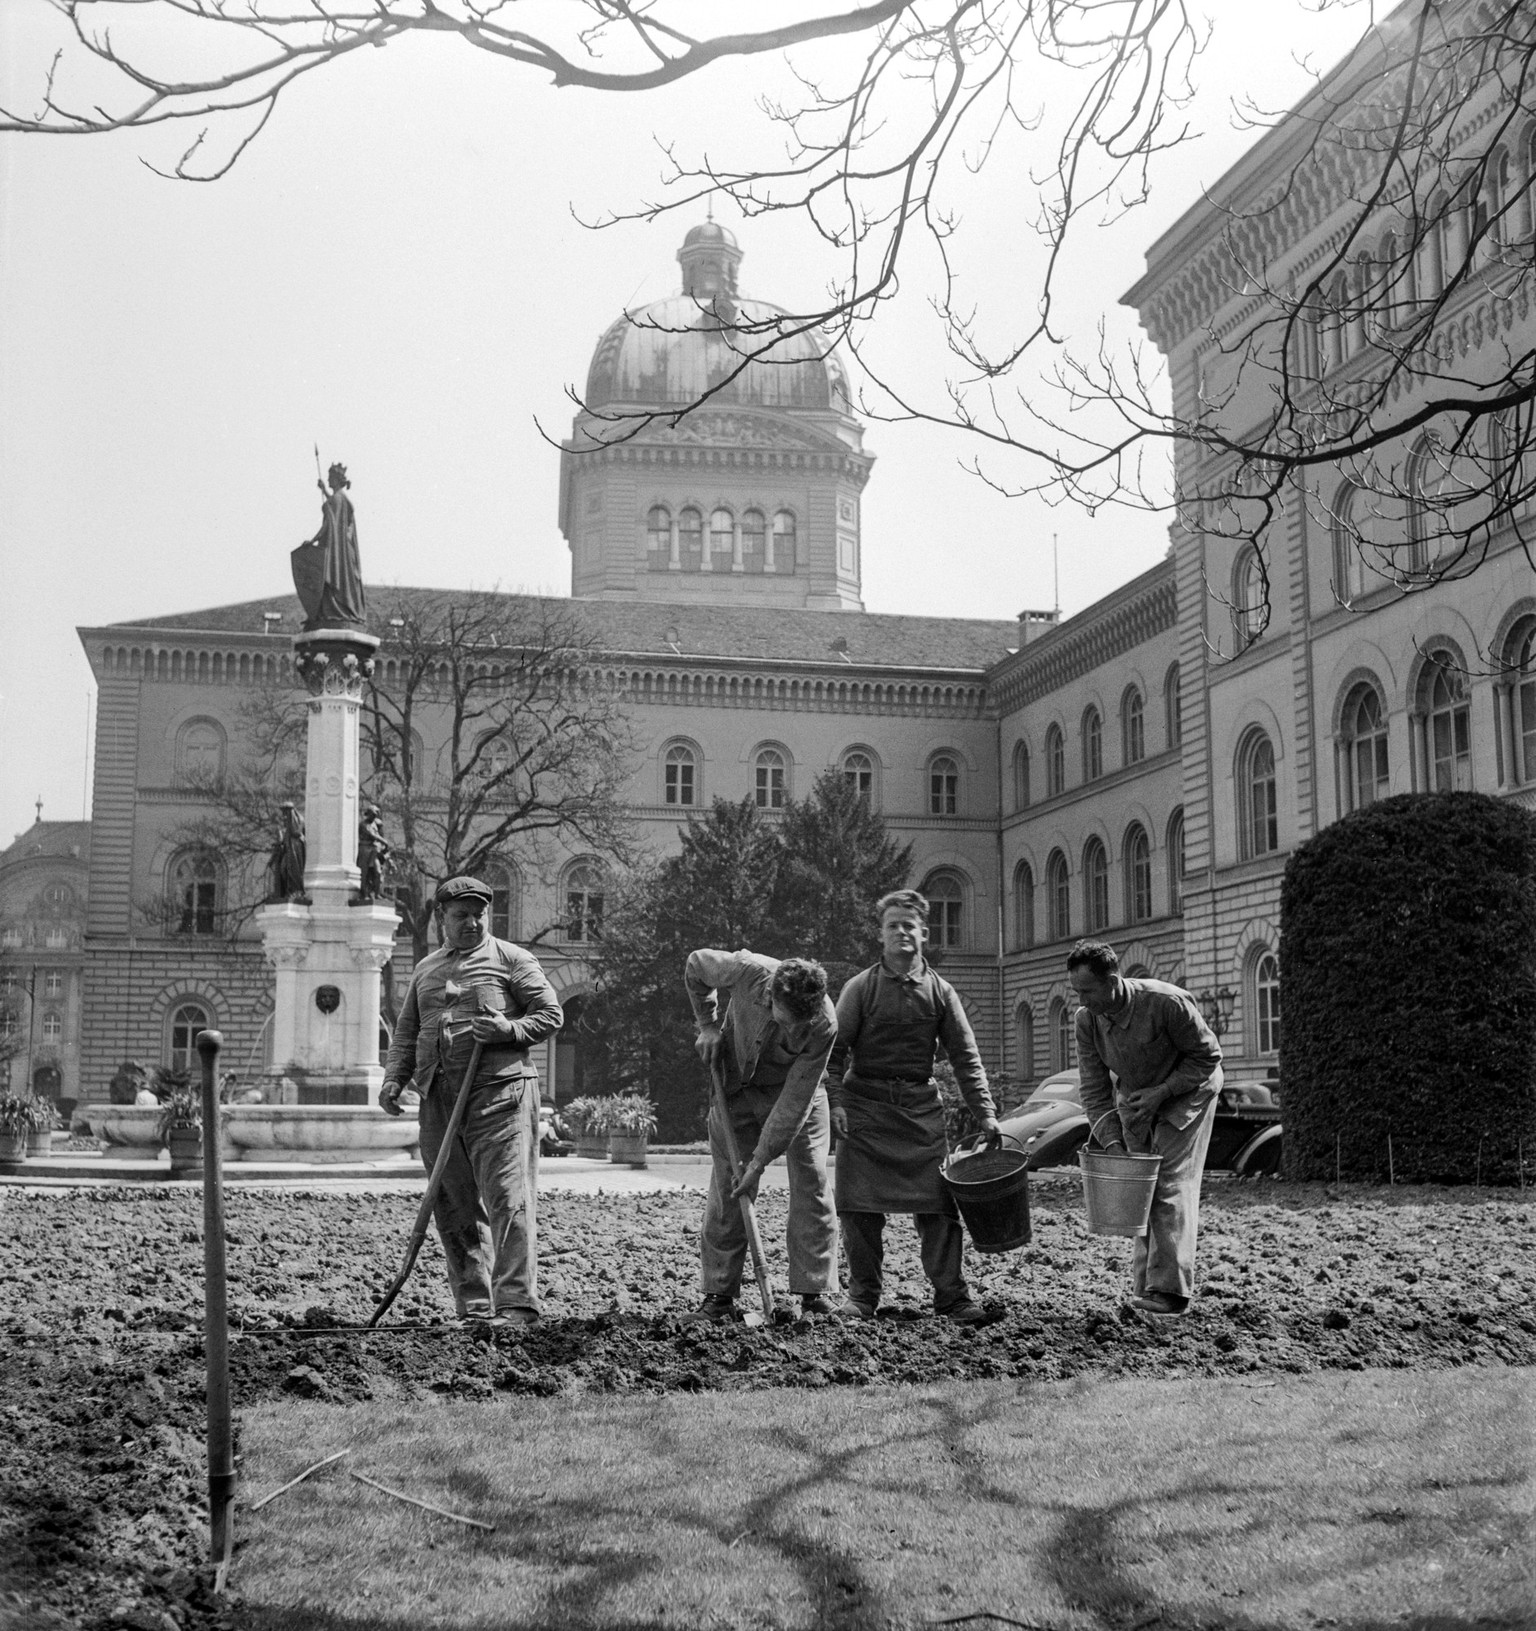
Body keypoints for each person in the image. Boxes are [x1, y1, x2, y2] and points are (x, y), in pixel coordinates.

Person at [380, 875, 563, 1327]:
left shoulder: (512, 959)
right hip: (438, 1100)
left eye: (480, 914)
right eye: (461, 915)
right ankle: (476, 1306)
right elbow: (407, 1032)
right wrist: (393, 1079)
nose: (473, 923)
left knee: (507, 1199)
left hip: (499, 1096)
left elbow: (551, 1013)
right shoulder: (426, 969)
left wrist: (509, 1030)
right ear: (441, 918)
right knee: (453, 1204)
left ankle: (517, 1304)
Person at [826, 890, 1001, 1325]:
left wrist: (987, 1113)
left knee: (940, 1208)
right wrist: (836, 1103)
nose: (901, 932)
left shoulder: (942, 992)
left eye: (909, 925)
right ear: (880, 935)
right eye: (893, 925)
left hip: (921, 1113)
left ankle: (953, 1299)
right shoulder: (860, 989)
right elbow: (833, 1053)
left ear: (923, 932)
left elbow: (966, 1056)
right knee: (858, 1208)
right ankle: (862, 1298)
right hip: (864, 1111)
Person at [1068, 938, 1224, 1318]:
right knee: (1140, 1187)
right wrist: (1113, 1143)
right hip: (1137, 1100)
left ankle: (1169, 1292)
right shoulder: (1086, 1020)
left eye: (1088, 991)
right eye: (1077, 992)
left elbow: (1208, 1058)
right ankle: (1147, 1287)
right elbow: (1093, 1087)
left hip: (1189, 1093)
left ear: (1114, 981)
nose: (1083, 1000)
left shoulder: (1166, 1003)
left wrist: (1163, 1092)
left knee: (1169, 1183)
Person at [684, 949, 841, 1321]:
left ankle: (814, 1295)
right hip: (736, 1087)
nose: (792, 1033)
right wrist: (707, 1026)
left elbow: (793, 1104)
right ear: (770, 996)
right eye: (786, 1022)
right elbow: (695, 965)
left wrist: (760, 1160)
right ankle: (719, 1299)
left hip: (798, 1093)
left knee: (813, 1182)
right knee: (729, 1187)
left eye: (799, 1028)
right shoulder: (746, 969)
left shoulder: (824, 1024)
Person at [297, 460, 367, 628]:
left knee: (328, 576)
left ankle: (331, 611)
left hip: (335, 550)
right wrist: (324, 491)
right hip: (343, 551)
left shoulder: (336, 500)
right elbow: (335, 508)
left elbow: (329, 525)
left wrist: (312, 540)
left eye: (330, 477)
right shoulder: (342, 498)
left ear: (336, 479)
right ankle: (337, 610)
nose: (328, 480)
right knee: (340, 579)